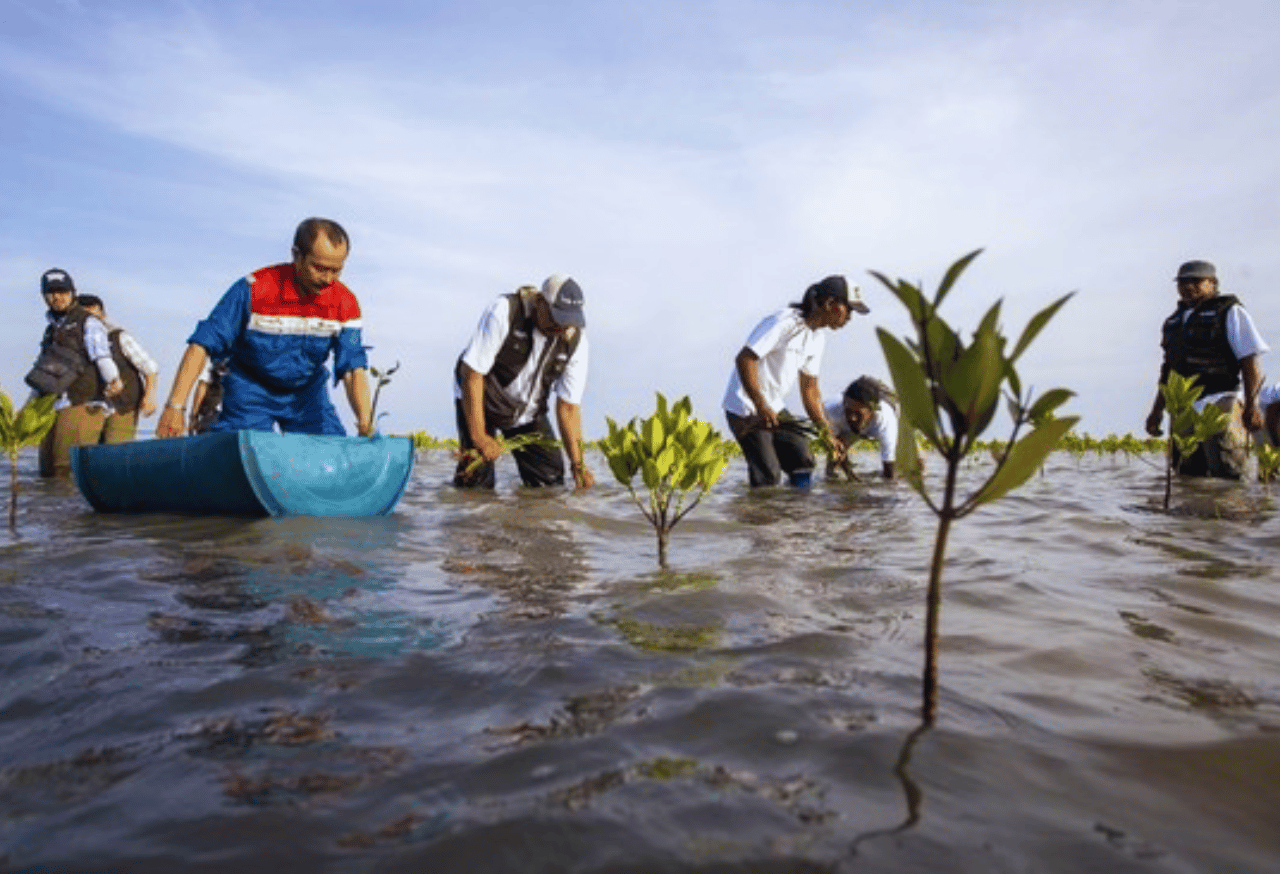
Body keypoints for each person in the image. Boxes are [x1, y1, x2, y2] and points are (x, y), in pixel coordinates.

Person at [155, 218, 373, 438]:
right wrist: (175, 406)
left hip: (306, 394)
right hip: (249, 388)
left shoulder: (346, 303)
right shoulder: (253, 290)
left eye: (336, 270)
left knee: (331, 452)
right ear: (296, 255)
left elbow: (353, 370)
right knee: (242, 451)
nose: (328, 279)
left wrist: (365, 424)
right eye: (319, 268)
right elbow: (202, 345)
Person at [723, 275, 868, 487]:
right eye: (849, 309)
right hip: (745, 407)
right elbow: (745, 359)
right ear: (829, 304)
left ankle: (798, 515)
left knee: (802, 458)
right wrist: (760, 404)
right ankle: (759, 515)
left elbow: (810, 390)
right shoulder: (785, 322)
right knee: (768, 476)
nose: (849, 318)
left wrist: (826, 434)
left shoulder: (817, 338)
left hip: (774, 406)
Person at [454, 275, 593, 490]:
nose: (561, 327)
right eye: (556, 318)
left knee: (550, 484)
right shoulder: (504, 311)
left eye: (568, 320)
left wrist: (578, 465)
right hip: (482, 399)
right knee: (476, 482)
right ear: (539, 302)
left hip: (528, 412)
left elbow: (568, 407)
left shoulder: (577, 342)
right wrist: (479, 436)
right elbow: (472, 373)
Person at [1144, 259, 1268, 478]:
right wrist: (1156, 412)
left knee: (1228, 471)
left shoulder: (1230, 312)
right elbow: (1168, 372)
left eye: (1196, 281)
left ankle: (1233, 513)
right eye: (1182, 282)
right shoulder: (1173, 322)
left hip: (1220, 400)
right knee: (1186, 474)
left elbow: (1250, 360)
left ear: (1213, 283)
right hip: (1184, 406)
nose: (1188, 286)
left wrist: (1252, 406)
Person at [24, 269, 123, 476]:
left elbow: (102, 357)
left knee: (67, 470)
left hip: (83, 403)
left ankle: (74, 510)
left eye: (62, 291)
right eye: (50, 292)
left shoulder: (88, 322)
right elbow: (43, 372)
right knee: (47, 471)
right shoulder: (50, 329)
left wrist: (114, 380)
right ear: (44, 296)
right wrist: (28, 406)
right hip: (53, 405)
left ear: (73, 292)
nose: (56, 297)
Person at [75, 294, 160, 444]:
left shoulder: (118, 336)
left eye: (93, 311)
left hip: (123, 404)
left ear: (102, 313)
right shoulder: (74, 342)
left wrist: (150, 396)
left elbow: (150, 367)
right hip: (92, 405)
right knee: (86, 451)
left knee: (115, 449)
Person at [824, 375, 898, 480]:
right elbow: (835, 447)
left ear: (871, 410)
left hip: (888, 409)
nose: (852, 418)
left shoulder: (886, 420)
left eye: (858, 414)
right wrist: (849, 475)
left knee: (913, 464)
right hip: (846, 426)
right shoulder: (832, 411)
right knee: (833, 465)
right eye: (848, 411)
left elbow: (889, 470)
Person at [188, 358, 229, 434]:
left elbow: (202, 387)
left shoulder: (215, 357)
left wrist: (194, 417)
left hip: (213, 416)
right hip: (232, 416)